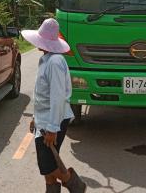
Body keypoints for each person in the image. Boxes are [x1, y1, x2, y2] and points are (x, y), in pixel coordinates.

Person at [22, 18, 86, 193]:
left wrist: (52, 128)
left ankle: (74, 184)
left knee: (47, 166)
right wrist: (36, 118)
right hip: (45, 119)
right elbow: (43, 96)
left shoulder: (55, 62)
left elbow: (57, 98)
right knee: (48, 166)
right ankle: (55, 189)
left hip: (54, 120)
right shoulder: (46, 59)